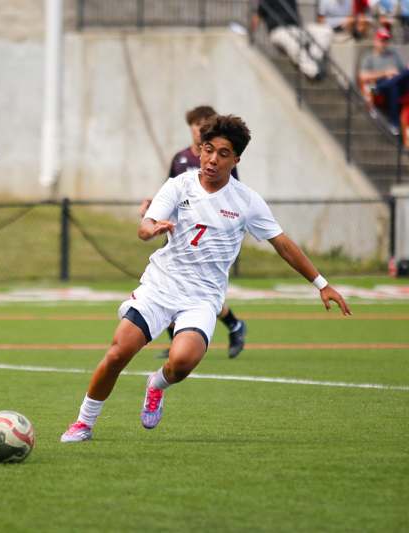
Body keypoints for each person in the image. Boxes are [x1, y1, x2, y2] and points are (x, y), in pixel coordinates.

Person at [60, 115, 351, 443]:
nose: (212, 159)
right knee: (118, 352)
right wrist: (150, 228)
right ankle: (83, 423)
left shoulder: (247, 201)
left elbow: (282, 244)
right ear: (200, 150)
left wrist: (322, 284)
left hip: (202, 297)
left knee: (182, 363)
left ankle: (157, 384)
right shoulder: (178, 185)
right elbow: (146, 226)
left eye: (223, 153)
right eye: (208, 150)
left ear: (236, 159)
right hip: (161, 285)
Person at [154, 106, 246, 360]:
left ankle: (234, 326)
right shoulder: (180, 159)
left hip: (210, 237)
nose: (198, 129)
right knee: (170, 287)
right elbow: (168, 192)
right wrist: (151, 209)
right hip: (178, 231)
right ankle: (178, 346)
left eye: (203, 124)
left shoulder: (220, 160)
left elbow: (231, 194)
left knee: (199, 294)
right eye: (195, 124)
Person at [253, 0, 333, 80]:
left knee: (325, 31)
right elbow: (257, 17)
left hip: (296, 29)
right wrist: (249, 34)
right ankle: (313, 73)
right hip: (278, 31)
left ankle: (314, 58)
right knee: (294, 45)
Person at [358, 27, 409, 139]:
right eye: (382, 40)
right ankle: (394, 123)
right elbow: (362, 76)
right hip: (386, 84)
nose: (384, 43)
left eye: (386, 40)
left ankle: (378, 88)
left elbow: (402, 72)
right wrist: (385, 73)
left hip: (399, 83)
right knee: (392, 85)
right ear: (375, 41)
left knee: (405, 73)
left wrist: (397, 74)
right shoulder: (369, 57)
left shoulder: (393, 54)